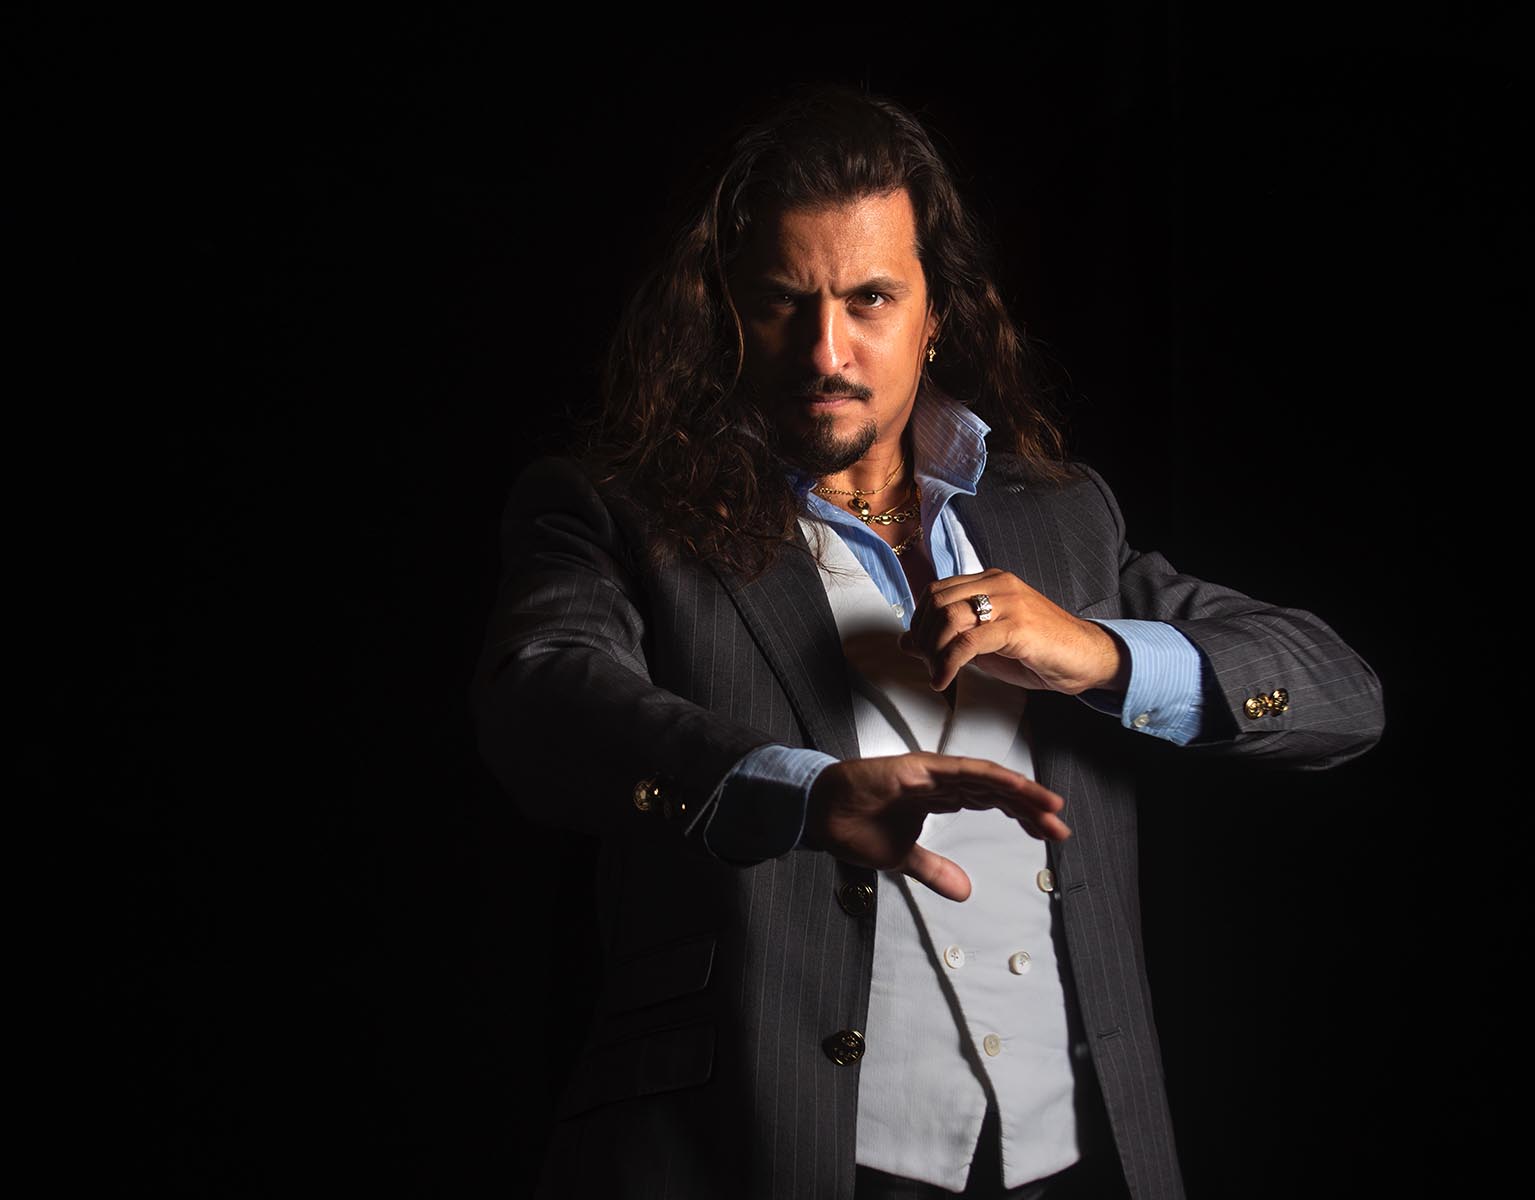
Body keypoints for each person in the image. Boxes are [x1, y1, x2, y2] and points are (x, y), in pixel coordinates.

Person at [470, 83, 1385, 1200]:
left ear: (935, 311)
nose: (827, 350)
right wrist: (798, 793)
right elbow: (543, 693)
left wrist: (1099, 652)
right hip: (770, 1149)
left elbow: (1343, 695)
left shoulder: (1063, 518)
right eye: (781, 302)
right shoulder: (616, 512)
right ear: (724, 315)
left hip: (1074, 1160)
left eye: (870, 298)